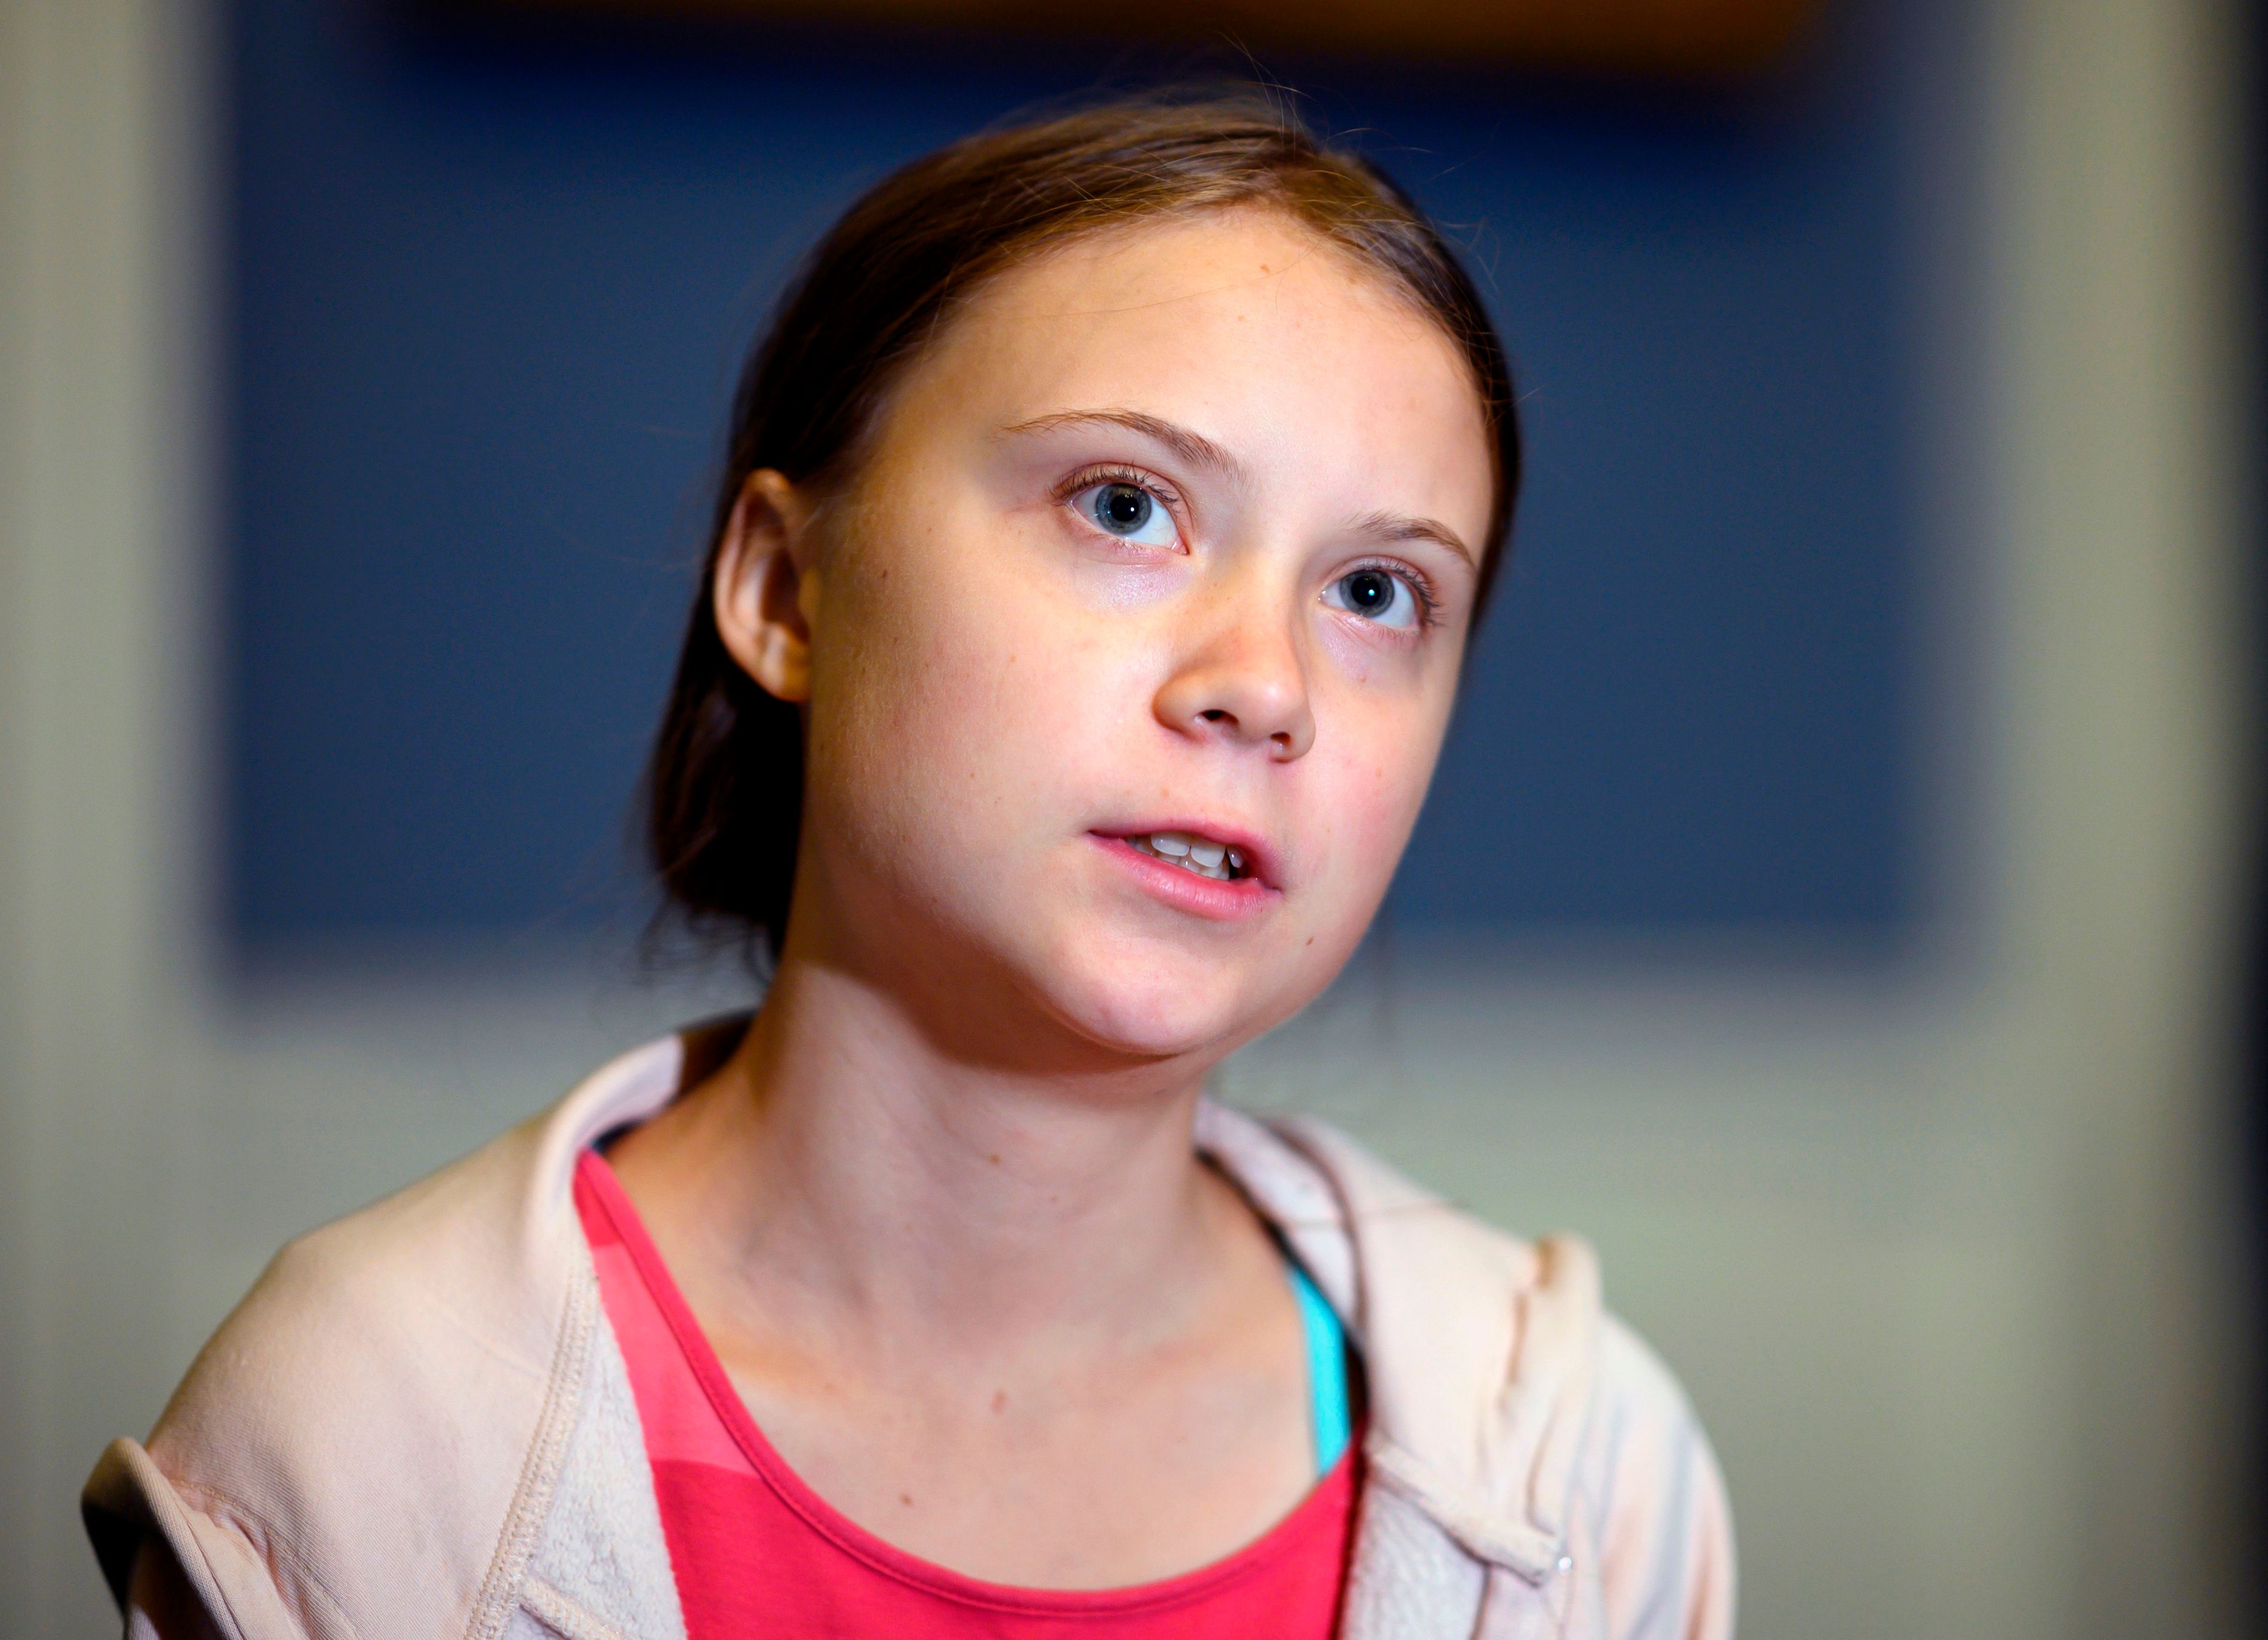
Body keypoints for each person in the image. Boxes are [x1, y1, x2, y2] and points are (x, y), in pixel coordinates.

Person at [84, 93, 1735, 1640]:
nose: (1267, 681)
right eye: (1124, 504)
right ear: (785, 593)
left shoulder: (1581, 1473)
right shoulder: (361, 1439)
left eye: (1378, 593)